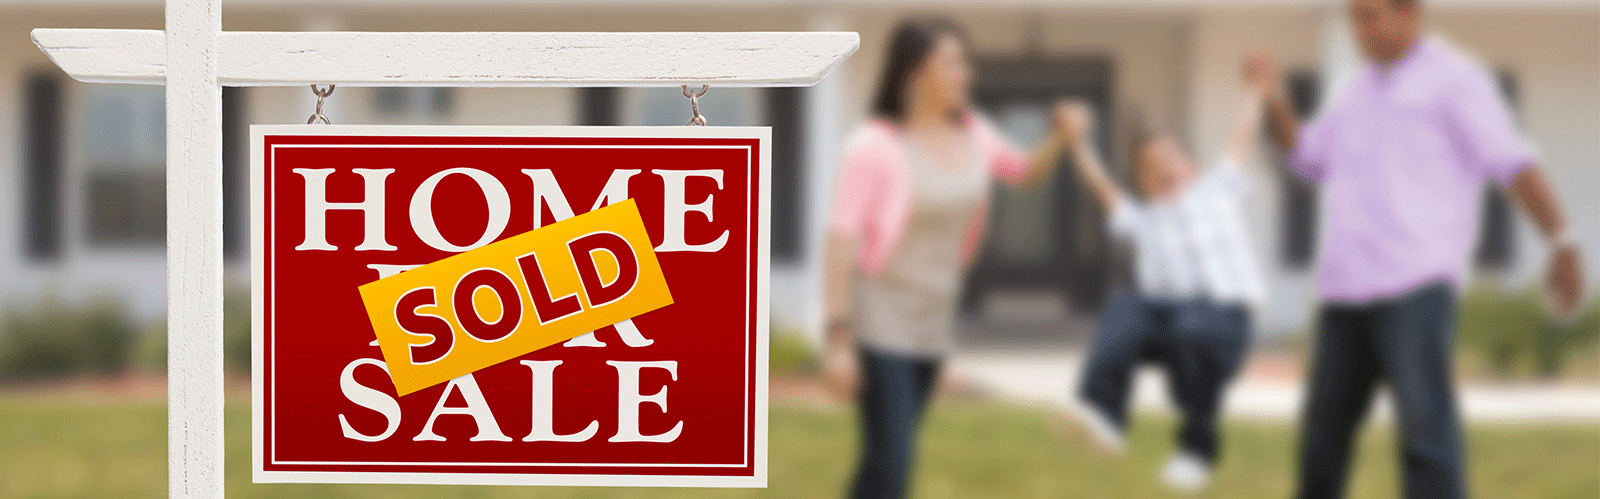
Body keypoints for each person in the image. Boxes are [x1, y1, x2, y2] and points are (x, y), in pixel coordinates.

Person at [1247, 0, 1586, 497]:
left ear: (1409, 12)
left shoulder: (1457, 80)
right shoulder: (1353, 90)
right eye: (1353, 16)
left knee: (1426, 440)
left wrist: (1562, 241)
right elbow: (1306, 161)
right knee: (1321, 443)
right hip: (1345, 290)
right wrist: (1274, 100)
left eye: (1368, 14)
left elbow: (1512, 163)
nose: (1358, 29)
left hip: (1415, 285)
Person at [822, 16, 1072, 499]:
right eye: (953, 63)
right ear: (915, 72)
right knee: (892, 461)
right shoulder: (872, 148)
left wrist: (1060, 138)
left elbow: (1023, 171)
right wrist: (838, 338)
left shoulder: (975, 133)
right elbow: (840, 241)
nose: (966, 74)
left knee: (887, 458)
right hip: (881, 318)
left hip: (933, 321)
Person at [1058, 89, 1266, 492]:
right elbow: (1101, 187)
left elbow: (1240, 137)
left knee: (1191, 326)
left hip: (1224, 319)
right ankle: (1103, 413)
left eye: (1170, 159)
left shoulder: (1217, 192)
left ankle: (1196, 449)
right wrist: (1077, 144)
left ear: (1193, 166)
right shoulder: (1143, 219)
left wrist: (1254, 93)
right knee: (1125, 307)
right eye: (1149, 167)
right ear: (1142, 183)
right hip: (1168, 326)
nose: (1161, 169)